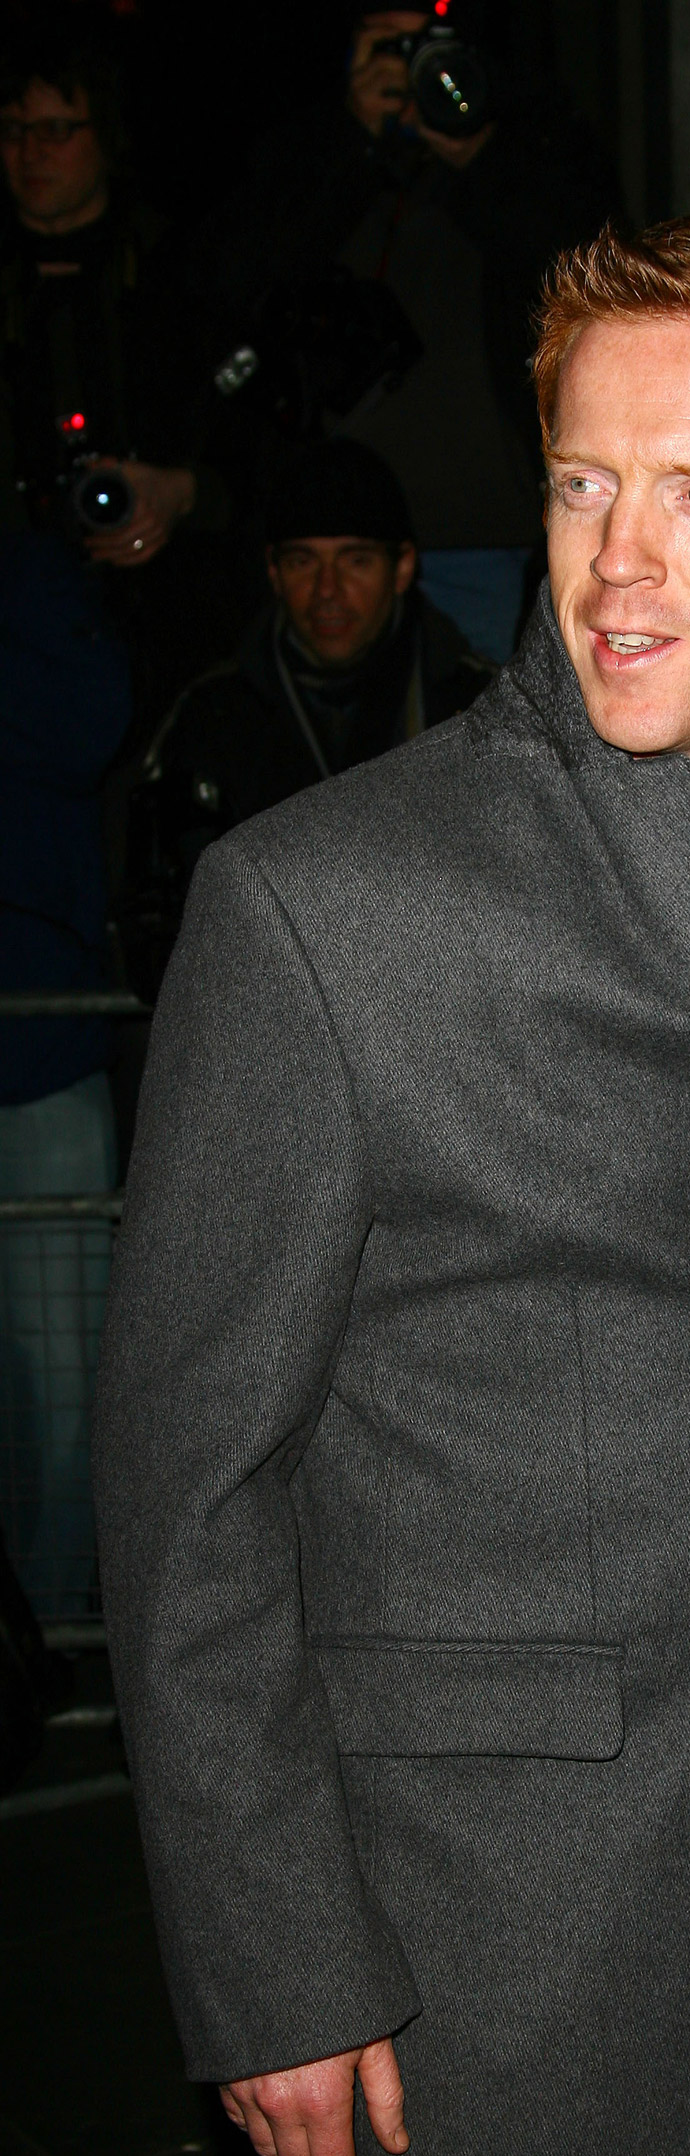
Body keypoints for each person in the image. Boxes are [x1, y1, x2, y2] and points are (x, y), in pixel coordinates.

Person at [93, 215, 690, 2156]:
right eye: (581, 484)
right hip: (482, 1919)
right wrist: (277, 1962)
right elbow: (188, 1485)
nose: (617, 559)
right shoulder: (328, 906)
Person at [203, 9, 617, 663]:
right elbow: (240, 285)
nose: (416, 64)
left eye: (428, 41)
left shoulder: (535, 140)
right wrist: (353, 136)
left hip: (489, 538)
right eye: (390, 44)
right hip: (333, 544)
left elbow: (588, 281)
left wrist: (476, 154)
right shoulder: (311, 148)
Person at [118, 438, 493, 997]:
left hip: (443, 1024)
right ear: (273, 572)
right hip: (265, 1026)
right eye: (302, 562)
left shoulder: (480, 708)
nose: (327, 591)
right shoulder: (211, 717)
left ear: (402, 567)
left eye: (356, 560)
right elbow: (156, 936)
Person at [0, 25, 238, 716]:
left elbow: (249, 443)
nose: (31, 153)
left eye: (56, 130)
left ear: (105, 136)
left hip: (168, 619)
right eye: (13, 131)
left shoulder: (180, 274)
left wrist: (183, 491)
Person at [0, 531, 132, 1618]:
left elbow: (90, 727)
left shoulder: (32, 573)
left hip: (36, 1050)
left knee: (63, 1388)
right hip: (41, 1035)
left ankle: (49, 1643)